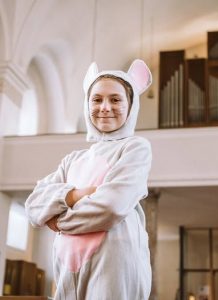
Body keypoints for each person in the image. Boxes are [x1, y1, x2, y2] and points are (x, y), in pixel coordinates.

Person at [25, 59, 153, 300]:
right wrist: (76, 195)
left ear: (131, 105)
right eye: (97, 99)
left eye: (115, 99)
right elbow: (33, 205)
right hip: (67, 267)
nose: (105, 107)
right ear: (87, 104)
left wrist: (59, 222)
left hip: (114, 263)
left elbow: (111, 207)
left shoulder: (135, 148)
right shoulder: (72, 159)